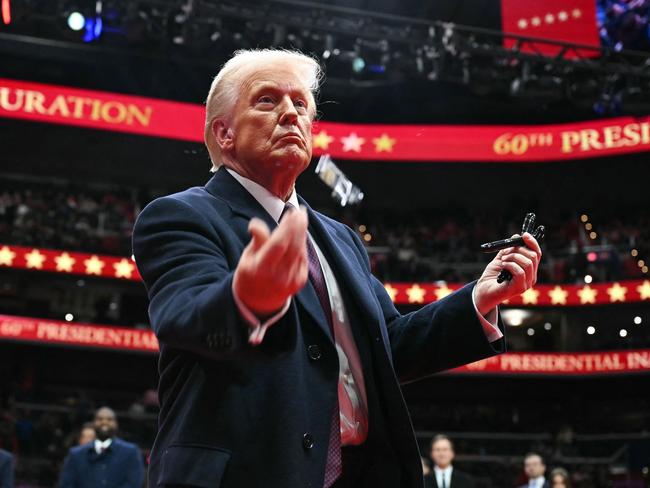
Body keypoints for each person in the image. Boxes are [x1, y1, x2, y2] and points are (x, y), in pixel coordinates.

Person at [132, 48, 542, 488]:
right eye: (268, 100)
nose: (291, 113)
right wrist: (246, 298)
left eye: (302, 104)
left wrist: (477, 301)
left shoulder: (340, 238)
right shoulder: (179, 216)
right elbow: (186, 319)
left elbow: (387, 348)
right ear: (224, 132)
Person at [59, 407, 144, 488]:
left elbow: (134, 484)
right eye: (100, 419)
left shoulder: (131, 452)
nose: (104, 422)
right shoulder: (76, 454)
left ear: (116, 423)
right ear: (94, 423)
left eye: (109, 419)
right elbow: (67, 484)